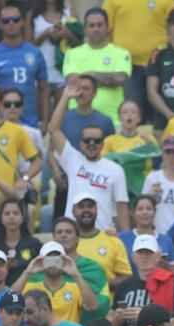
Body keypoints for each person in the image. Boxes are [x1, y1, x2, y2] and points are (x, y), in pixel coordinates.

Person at [49, 82, 130, 232]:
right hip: (74, 235)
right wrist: (66, 97)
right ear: (80, 144)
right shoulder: (73, 160)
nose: (92, 144)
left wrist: (125, 238)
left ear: (103, 144)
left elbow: (121, 207)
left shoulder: (115, 170)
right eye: (87, 141)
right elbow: (53, 129)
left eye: (97, 141)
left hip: (103, 235)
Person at [0, 4, 49, 129]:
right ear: (0, 24)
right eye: (6, 21)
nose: (11, 23)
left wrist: (45, 121)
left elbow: (44, 89)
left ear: (22, 22)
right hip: (0, 125)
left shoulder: (35, 53)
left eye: (15, 20)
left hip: (30, 124)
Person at [61, 7, 131, 122]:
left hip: (112, 119)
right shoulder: (72, 53)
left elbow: (120, 79)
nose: (96, 29)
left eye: (100, 25)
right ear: (85, 29)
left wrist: (89, 74)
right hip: (79, 118)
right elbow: (73, 82)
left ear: (108, 28)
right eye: (92, 25)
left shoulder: (121, 53)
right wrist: (106, 79)